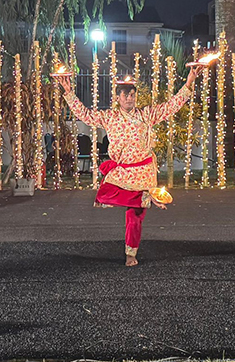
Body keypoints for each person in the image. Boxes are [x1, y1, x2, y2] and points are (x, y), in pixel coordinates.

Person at [58, 67, 200, 266]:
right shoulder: (110, 117)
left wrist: (189, 82)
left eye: (132, 95)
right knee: (102, 195)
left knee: (134, 217)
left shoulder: (147, 115)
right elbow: (85, 114)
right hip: (122, 171)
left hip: (142, 171)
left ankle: (131, 254)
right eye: (125, 96)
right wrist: (69, 92)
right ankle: (146, 198)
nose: (129, 99)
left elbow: (171, 106)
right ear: (118, 98)